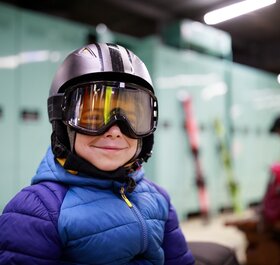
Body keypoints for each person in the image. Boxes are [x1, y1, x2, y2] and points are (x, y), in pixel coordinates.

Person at [0, 43, 195, 265]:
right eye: (92, 118)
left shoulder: (158, 198)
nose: (114, 131)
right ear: (63, 124)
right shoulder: (36, 210)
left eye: (131, 119)